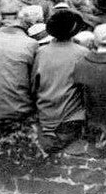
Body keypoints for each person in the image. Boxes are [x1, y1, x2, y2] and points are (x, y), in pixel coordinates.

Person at [31, 9, 90, 153]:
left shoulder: (40, 53)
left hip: (45, 117)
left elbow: (33, 87)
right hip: (69, 119)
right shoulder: (82, 53)